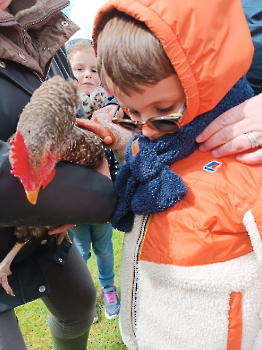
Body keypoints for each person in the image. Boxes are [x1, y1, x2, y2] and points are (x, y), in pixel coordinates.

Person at [76, 0, 262, 349]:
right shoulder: (153, 146)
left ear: (207, 83)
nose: (145, 131)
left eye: (163, 111)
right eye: (131, 113)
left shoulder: (248, 166)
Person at [0, 1, 117, 349]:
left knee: (80, 306)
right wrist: (101, 194)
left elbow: (76, 122)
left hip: (43, 229)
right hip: (32, 213)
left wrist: (102, 151)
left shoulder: (43, 21)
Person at [66, 39, 121, 322]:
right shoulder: (62, 110)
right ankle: (83, 295)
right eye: (79, 68)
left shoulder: (107, 110)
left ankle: (109, 287)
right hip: (73, 200)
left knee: (103, 246)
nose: (87, 75)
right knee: (78, 252)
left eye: (93, 69)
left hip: (101, 194)